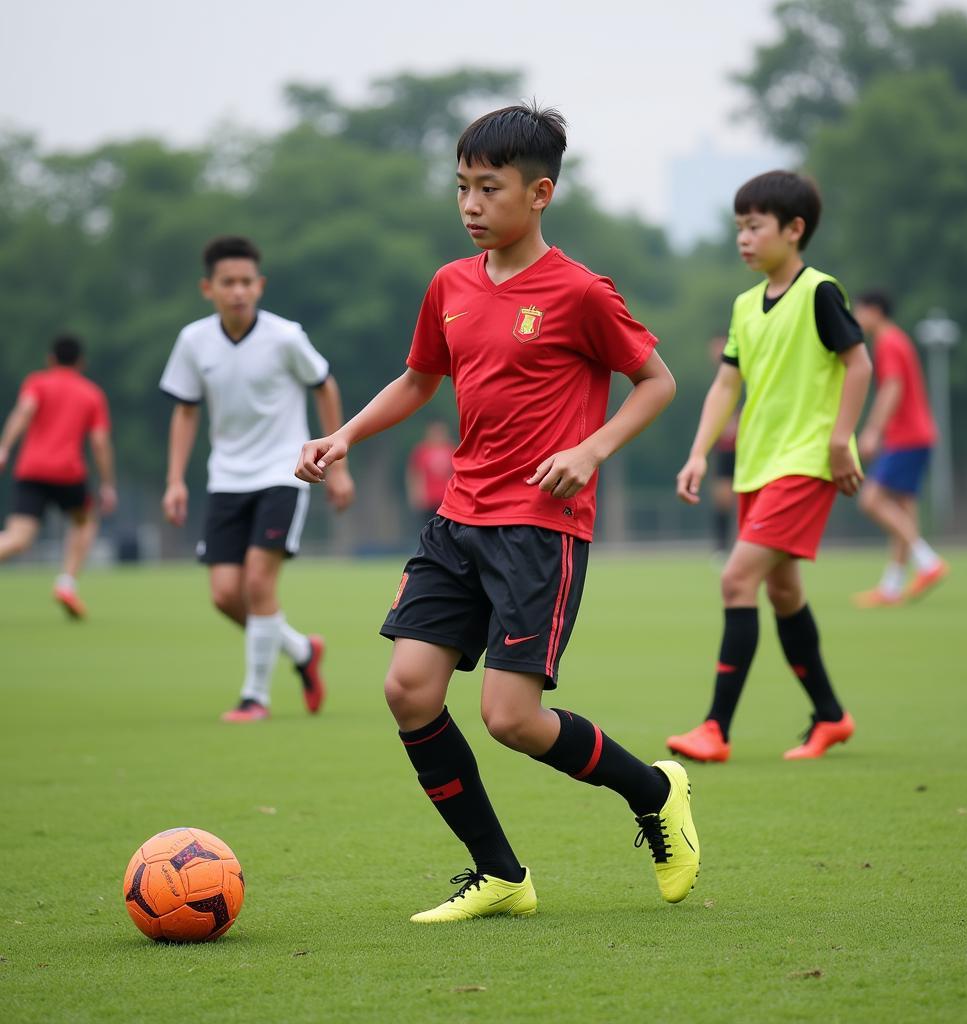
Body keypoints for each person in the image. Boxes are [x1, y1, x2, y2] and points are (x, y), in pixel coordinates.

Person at [296, 103, 697, 923]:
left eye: (490, 189)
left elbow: (657, 382)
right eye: (461, 188)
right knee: (409, 690)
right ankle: (500, 874)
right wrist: (343, 435)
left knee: (510, 719)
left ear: (540, 192)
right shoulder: (449, 284)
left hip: (539, 530)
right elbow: (418, 379)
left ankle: (655, 792)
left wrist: (591, 451)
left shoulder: (582, 292)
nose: (472, 205)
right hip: (457, 519)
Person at [668, 170, 872, 763]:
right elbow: (726, 383)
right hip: (759, 465)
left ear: (794, 229)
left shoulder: (819, 292)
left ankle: (715, 729)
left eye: (755, 226)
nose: (744, 238)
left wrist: (840, 441)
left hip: (806, 463)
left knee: (736, 579)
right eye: (739, 227)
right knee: (782, 591)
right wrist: (699, 452)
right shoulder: (742, 306)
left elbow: (857, 365)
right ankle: (831, 716)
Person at [160, 236, 355, 723]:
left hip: (282, 474)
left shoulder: (286, 337)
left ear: (260, 285)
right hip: (225, 478)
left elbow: (324, 386)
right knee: (225, 594)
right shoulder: (193, 341)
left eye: (247, 282)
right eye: (228, 283)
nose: (239, 291)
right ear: (209, 288)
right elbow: (186, 412)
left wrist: (336, 465)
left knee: (257, 582)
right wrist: (175, 480)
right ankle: (302, 651)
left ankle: (255, 698)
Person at [0, 334, 117, 617]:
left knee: (18, 538)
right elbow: (100, 443)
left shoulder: (37, 382)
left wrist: (4, 447)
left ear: (50, 359)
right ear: (81, 362)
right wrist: (107, 484)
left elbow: (23, 412)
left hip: (32, 471)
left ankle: (65, 583)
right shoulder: (91, 393)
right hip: (68, 474)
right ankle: (66, 583)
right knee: (85, 521)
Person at [852, 290, 948, 606]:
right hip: (917, 435)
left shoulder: (888, 342)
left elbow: (892, 387)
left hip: (906, 437)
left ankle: (928, 561)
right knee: (903, 512)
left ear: (875, 311)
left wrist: (873, 431)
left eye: (860, 311)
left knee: (871, 500)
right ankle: (891, 587)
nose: (856, 318)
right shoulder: (897, 339)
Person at [706, 335, 739, 555]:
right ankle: (721, 547)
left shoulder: (741, 372)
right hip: (725, 448)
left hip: (746, 443)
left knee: (748, 495)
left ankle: (747, 543)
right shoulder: (716, 378)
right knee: (722, 498)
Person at [405, 420, 455, 531]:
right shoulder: (421, 451)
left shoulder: (451, 450)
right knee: (428, 529)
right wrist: (415, 494)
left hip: (446, 500)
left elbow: (455, 474)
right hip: (428, 500)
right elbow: (415, 475)